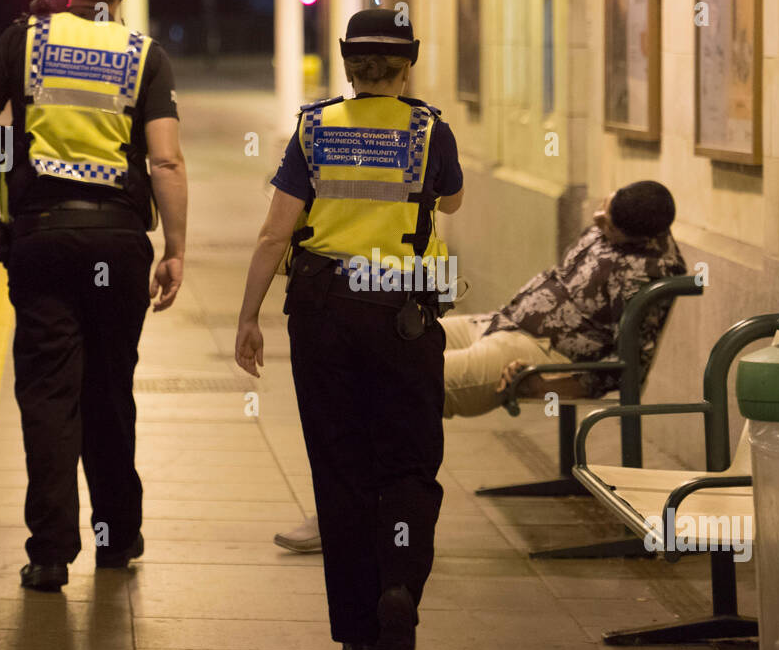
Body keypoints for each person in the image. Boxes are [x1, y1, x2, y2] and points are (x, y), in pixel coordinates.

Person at [0, 0, 188, 592]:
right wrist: (175, 247)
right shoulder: (144, 55)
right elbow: (164, 159)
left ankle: (50, 553)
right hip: (118, 242)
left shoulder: (23, 40)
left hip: (43, 241)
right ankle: (117, 536)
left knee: (50, 396)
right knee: (110, 390)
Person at [274, 179, 684, 553]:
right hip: (498, 322)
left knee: (392, 389)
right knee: (382, 344)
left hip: (536, 353)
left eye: (607, 222)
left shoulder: (652, 273)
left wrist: (547, 385)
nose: (597, 219)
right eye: (604, 207)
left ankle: (350, 520)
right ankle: (353, 508)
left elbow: (626, 365)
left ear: (636, 236)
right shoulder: (612, 224)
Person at [235, 8, 463, 650]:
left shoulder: (314, 126)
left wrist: (248, 317)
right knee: (409, 463)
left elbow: (275, 233)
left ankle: (360, 631)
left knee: (340, 467)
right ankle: (400, 586)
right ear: (407, 65)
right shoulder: (430, 129)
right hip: (403, 306)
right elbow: (448, 204)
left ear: (346, 64)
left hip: (323, 307)